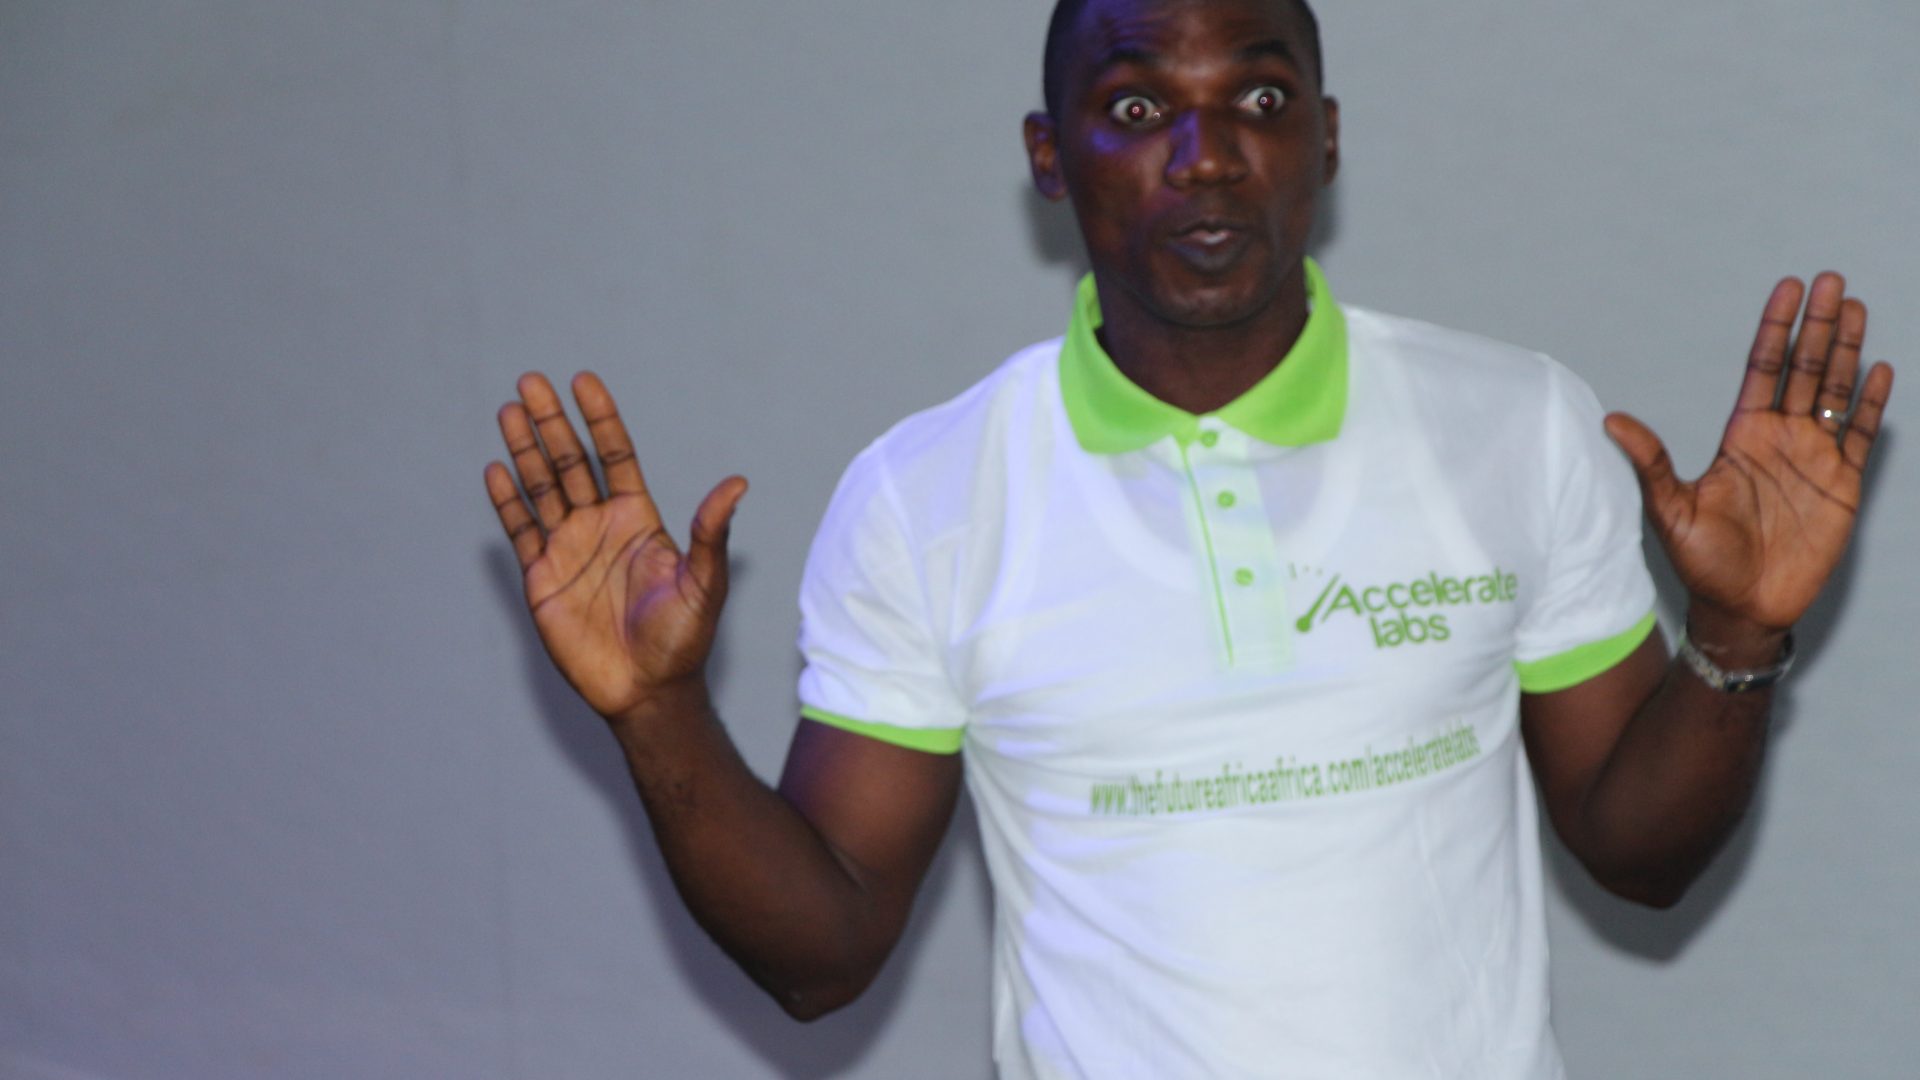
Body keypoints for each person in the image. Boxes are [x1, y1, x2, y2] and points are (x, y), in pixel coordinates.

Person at [481, 0, 1895, 1074]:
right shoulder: (929, 495)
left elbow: (1641, 855)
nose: (1207, 157)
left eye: (1260, 99)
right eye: (1138, 106)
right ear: (1050, 156)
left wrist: (1736, 634)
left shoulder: (1514, 423)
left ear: (1324, 138)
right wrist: (659, 715)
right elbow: (823, 955)